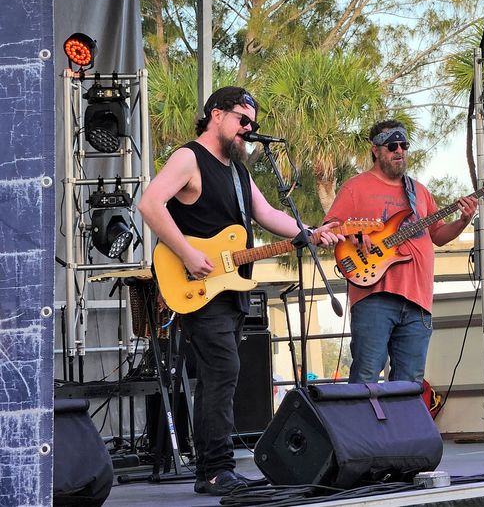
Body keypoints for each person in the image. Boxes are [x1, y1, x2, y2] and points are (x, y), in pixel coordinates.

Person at [138, 86, 342, 496]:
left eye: (253, 124)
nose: (248, 130)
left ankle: (217, 467)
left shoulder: (236, 171)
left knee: (224, 375)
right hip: (195, 281)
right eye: (242, 120)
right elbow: (150, 204)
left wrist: (310, 232)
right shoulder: (188, 158)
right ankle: (214, 470)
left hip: (229, 288)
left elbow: (266, 215)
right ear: (216, 114)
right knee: (222, 372)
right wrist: (188, 253)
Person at [325, 120, 477, 384]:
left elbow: (438, 236)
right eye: (392, 146)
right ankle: (361, 427)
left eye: (404, 146)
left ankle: (401, 427)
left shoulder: (419, 192)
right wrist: (355, 236)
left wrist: (463, 220)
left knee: (410, 383)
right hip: (374, 296)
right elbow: (329, 228)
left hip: (418, 300)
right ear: (376, 150)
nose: (399, 151)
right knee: (366, 376)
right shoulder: (355, 187)